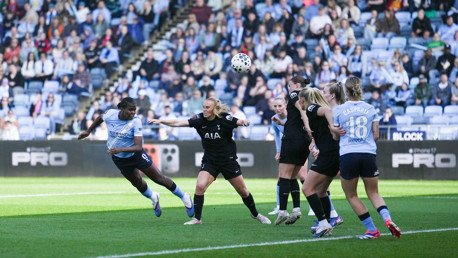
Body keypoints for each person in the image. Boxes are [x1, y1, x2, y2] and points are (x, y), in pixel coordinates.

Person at [149, 97, 271, 225]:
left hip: (228, 161)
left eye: (207, 108)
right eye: (203, 107)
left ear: (214, 109)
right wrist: (161, 121)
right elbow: (179, 123)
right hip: (210, 161)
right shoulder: (199, 119)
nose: (205, 110)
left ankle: (256, 214)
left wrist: (244, 121)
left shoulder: (224, 118)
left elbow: (238, 122)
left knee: (243, 191)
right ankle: (197, 219)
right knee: (200, 187)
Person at [77, 97, 194, 219]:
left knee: (159, 178)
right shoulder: (110, 114)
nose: (133, 113)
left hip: (136, 155)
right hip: (119, 158)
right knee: (137, 183)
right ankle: (153, 197)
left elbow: (138, 147)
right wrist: (89, 131)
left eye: (134, 110)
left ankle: (184, 197)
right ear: (122, 109)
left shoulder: (136, 121)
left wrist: (120, 149)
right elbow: (101, 117)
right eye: (130, 110)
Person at [333, 77, 401, 239]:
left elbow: (335, 137)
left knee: (351, 195)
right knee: (374, 193)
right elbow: (376, 135)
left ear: (346, 91)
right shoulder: (371, 109)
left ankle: (372, 229)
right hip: (368, 153)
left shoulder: (339, 110)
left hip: (349, 154)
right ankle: (387, 219)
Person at [299, 83, 345, 237]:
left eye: (300, 100)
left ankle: (323, 223)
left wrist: (332, 126)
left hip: (328, 155)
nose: (299, 103)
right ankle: (324, 223)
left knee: (307, 188)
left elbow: (327, 110)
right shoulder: (315, 110)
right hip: (334, 154)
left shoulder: (312, 108)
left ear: (304, 100)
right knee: (321, 191)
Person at [273, 76, 313, 225]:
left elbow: (302, 112)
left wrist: (310, 129)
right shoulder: (310, 95)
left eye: (289, 85)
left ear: (296, 85)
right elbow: (296, 119)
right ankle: (296, 209)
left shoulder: (295, 94)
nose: (288, 88)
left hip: (292, 140)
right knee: (292, 177)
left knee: (283, 176)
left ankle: (282, 210)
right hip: (303, 141)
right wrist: (282, 123)